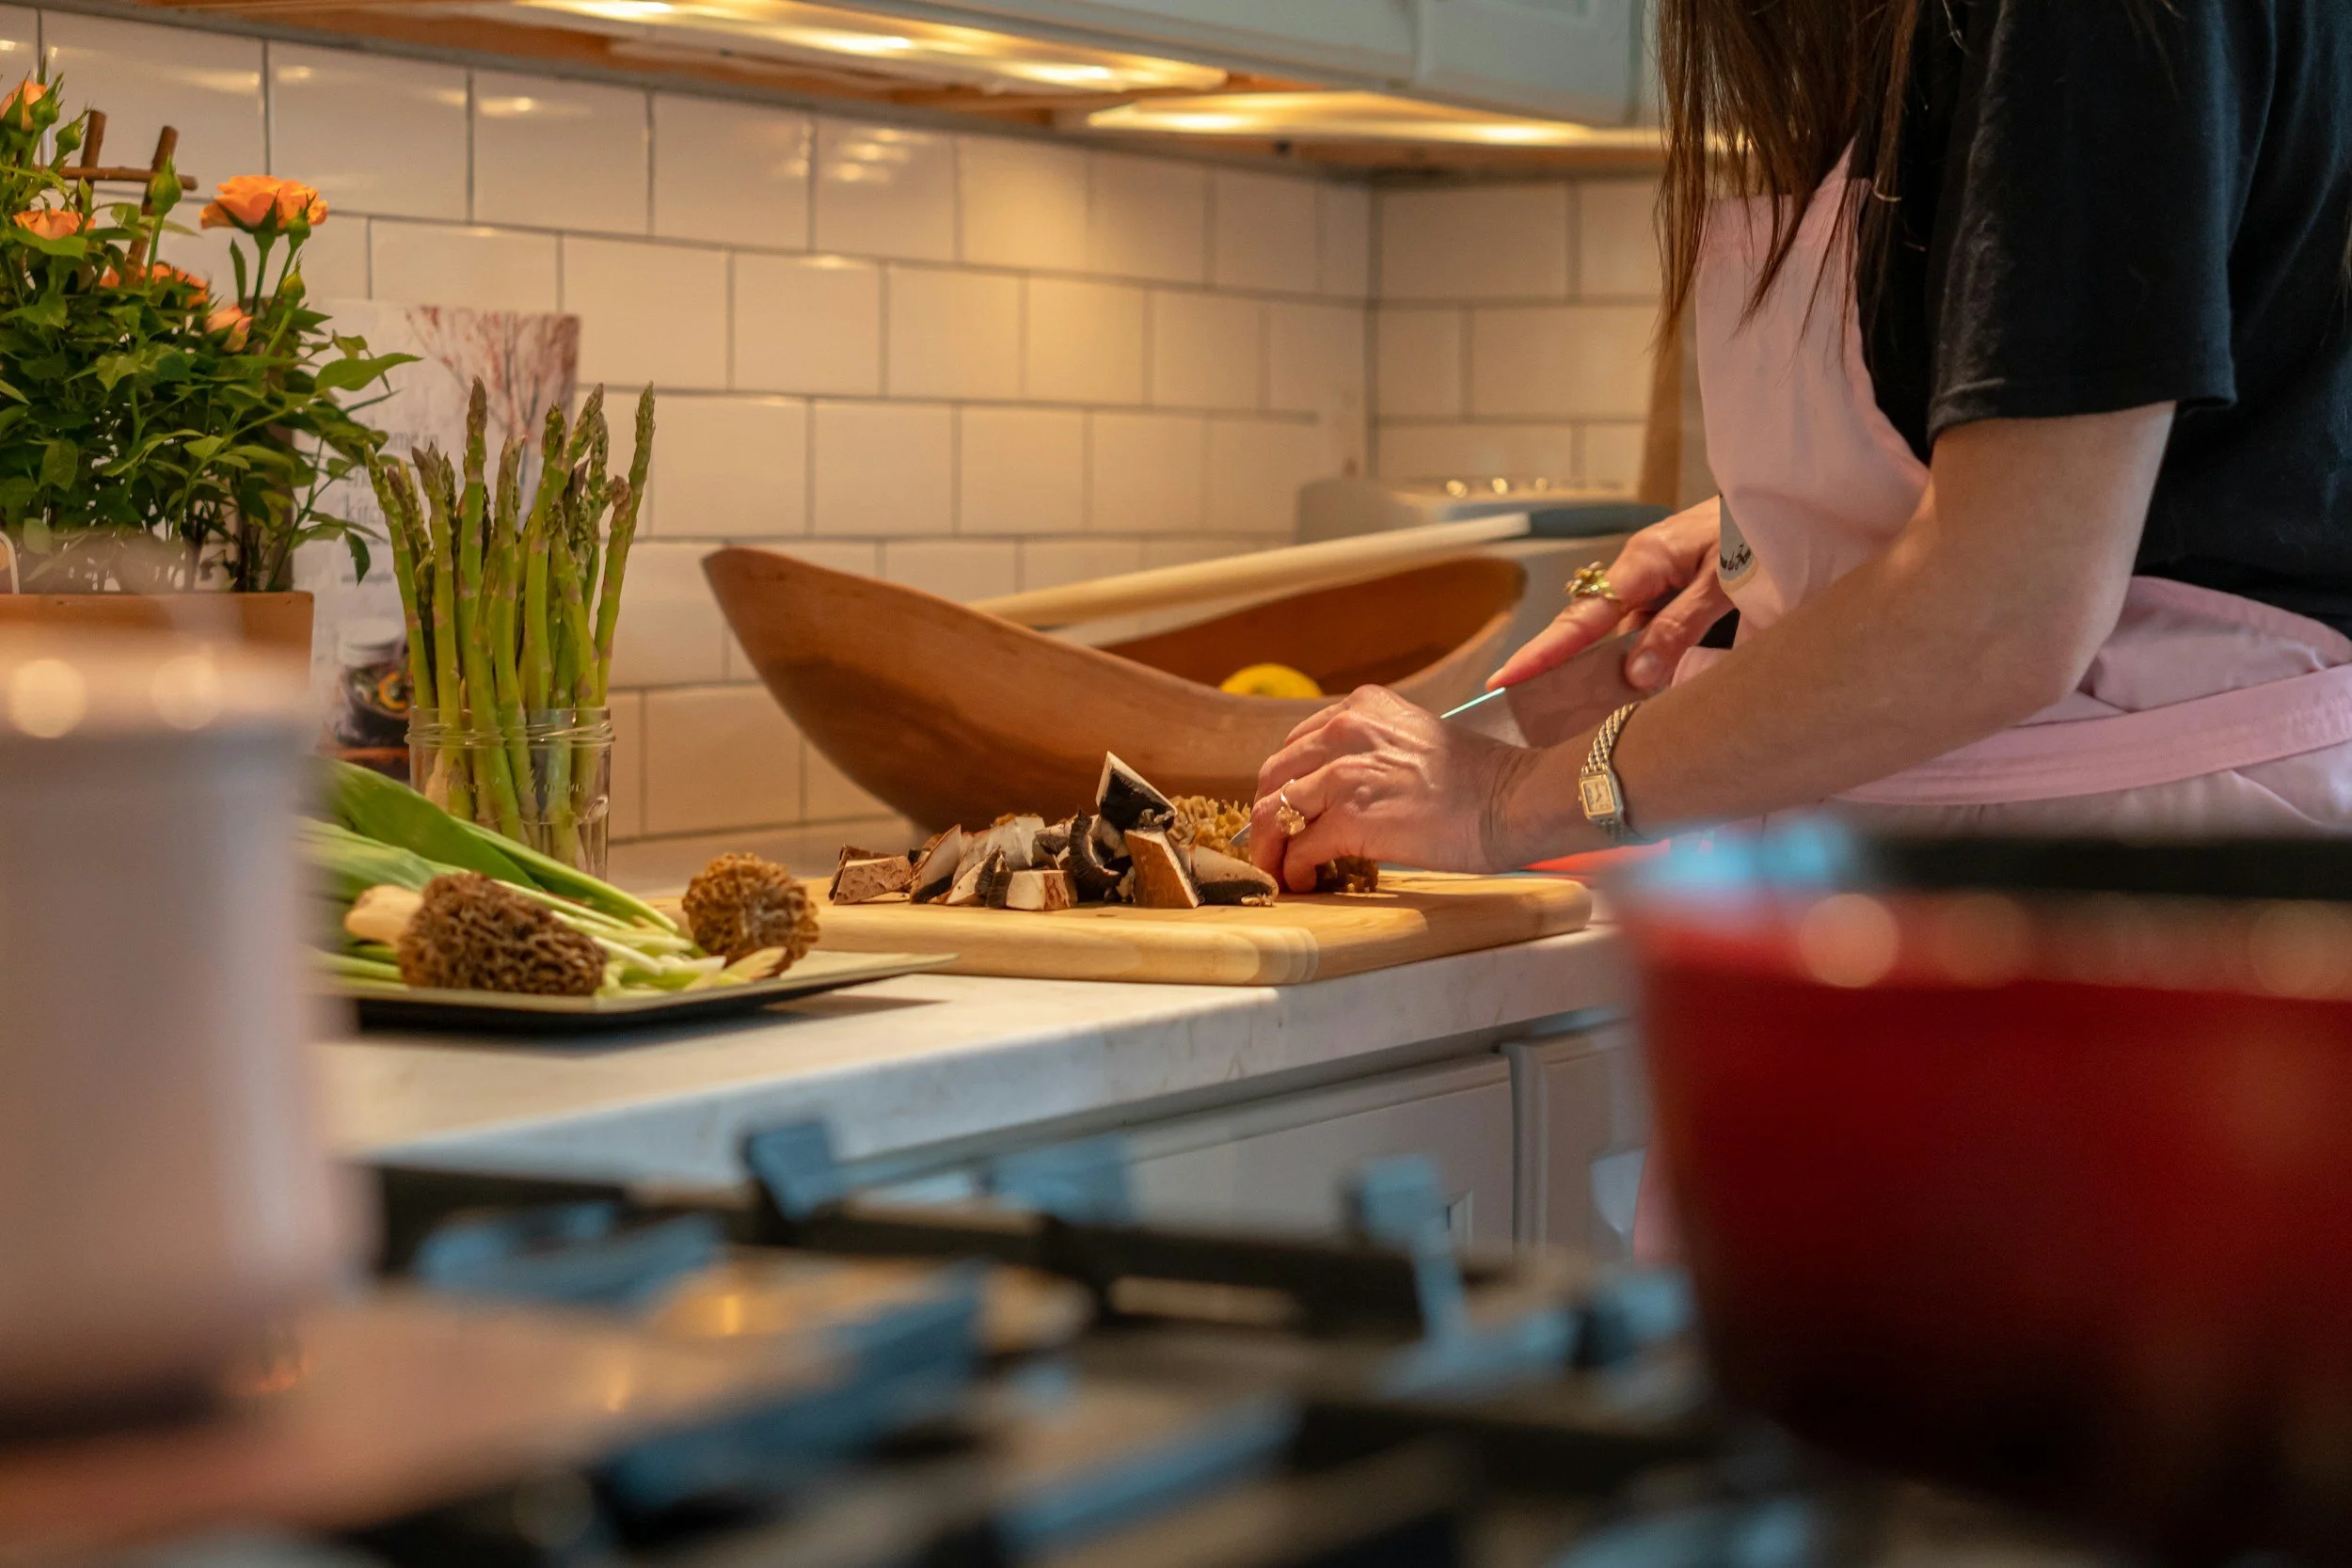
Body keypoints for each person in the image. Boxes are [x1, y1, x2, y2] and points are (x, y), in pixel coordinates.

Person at [1250, 0, 2352, 888]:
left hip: (2107, 905)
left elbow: (2006, 609)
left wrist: (1507, 798)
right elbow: (2222, 448)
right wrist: (1802, 525)